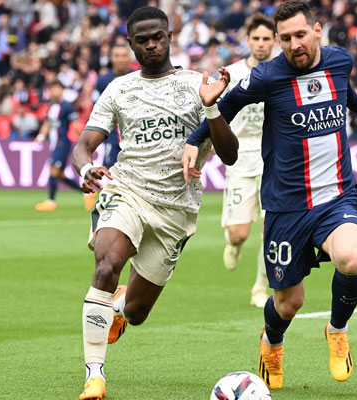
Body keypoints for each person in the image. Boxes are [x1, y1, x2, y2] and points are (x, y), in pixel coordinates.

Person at [182, 0, 357, 390]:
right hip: (286, 205)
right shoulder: (267, 76)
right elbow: (224, 106)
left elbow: (344, 92)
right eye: (285, 39)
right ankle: (271, 342)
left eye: (300, 35)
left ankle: (337, 329)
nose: (294, 44)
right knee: (287, 304)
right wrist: (196, 140)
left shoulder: (339, 60)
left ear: (316, 30)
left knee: (351, 257)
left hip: (336, 196)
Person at [71, 7, 235, 400]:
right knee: (107, 263)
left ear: (169, 36)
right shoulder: (119, 89)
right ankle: (95, 374)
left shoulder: (199, 84)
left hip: (176, 209)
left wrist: (211, 107)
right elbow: (83, 146)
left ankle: (120, 307)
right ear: (131, 44)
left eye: (157, 37)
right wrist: (86, 168)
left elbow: (229, 153)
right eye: (142, 40)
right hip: (127, 190)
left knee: (137, 314)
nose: (151, 45)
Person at [220, 13, 277, 308]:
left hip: (274, 159)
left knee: (271, 228)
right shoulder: (231, 74)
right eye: (256, 38)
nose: (261, 44)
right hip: (240, 159)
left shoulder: (283, 71)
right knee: (240, 233)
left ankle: (260, 287)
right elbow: (217, 117)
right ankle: (234, 244)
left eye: (267, 38)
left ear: (275, 41)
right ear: (248, 41)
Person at [34, 80, 94, 212]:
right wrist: (40, 136)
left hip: (63, 142)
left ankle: (51, 201)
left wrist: (83, 140)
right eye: (52, 89)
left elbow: (76, 123)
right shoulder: (51, 106)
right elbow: (47, 123)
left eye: (57, 89)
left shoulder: (67, 106)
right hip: (55, 143)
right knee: (60, 175)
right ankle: (88, 193)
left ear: (62, 90)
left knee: (53, 169)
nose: (55, 91)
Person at [95, 45, 133, 169]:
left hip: (134, 134)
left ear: (129, 57)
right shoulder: (102, 81)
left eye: (124, 55)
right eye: (117, 56)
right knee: (110, 171)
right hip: (112, 135)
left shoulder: (138, 77)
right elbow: (99, 109)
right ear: (111, 58)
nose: (120, 59)